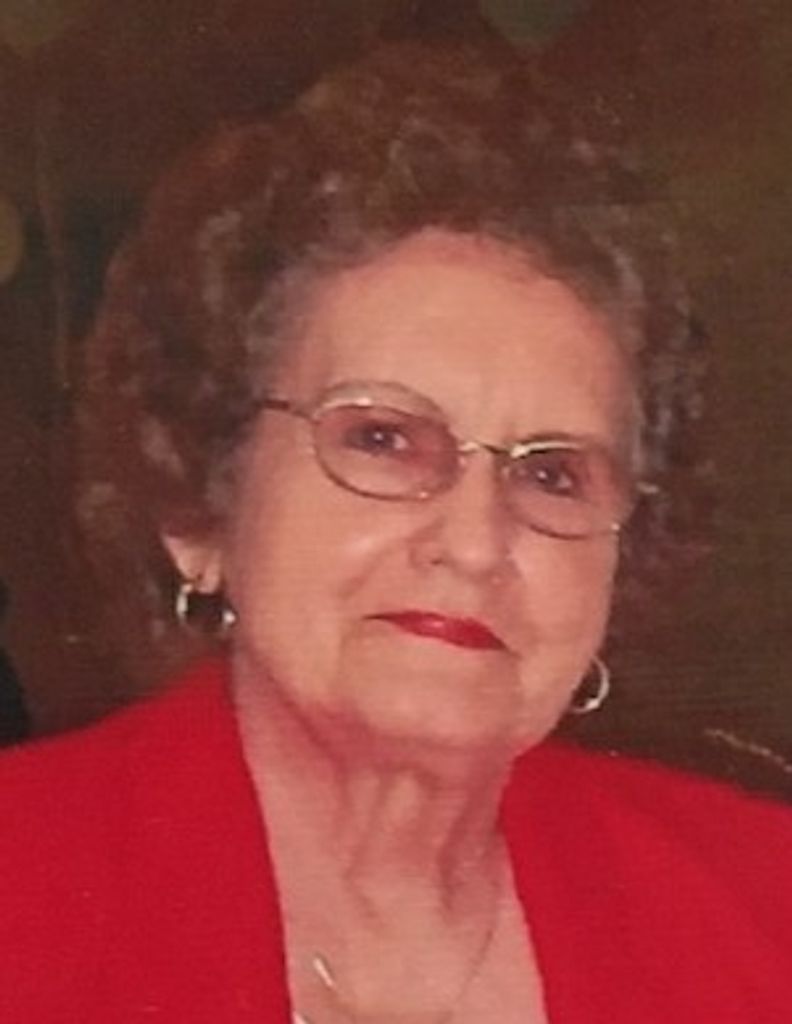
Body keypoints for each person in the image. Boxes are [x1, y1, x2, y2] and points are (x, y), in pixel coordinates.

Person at [0, 40, 790, 1024]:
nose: (475, 541)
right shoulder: (24, 888)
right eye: (382, 439)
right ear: (200, 505)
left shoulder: (764, 904)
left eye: (551, 473)